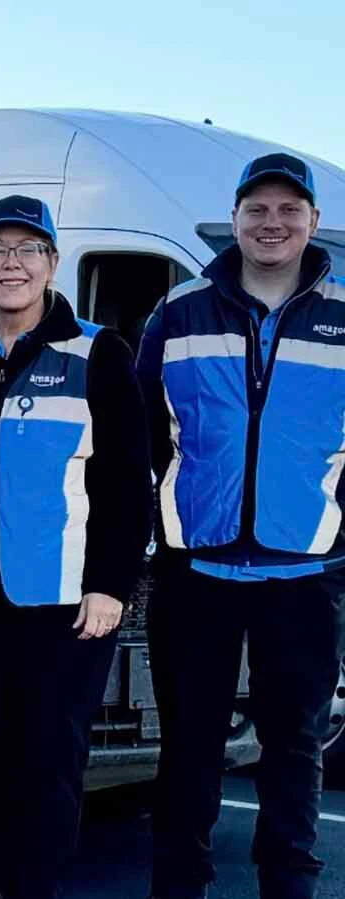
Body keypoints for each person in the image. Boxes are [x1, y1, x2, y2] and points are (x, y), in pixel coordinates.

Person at [0, 195, 152, 899]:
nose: (11, 264)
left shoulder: (98, 352)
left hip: (64, 604)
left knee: (45, 763)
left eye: (28, 250)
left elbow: (124, 481)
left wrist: (110, 582)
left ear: (51, 262)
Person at [137, 153, 345, 899]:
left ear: (314, 222)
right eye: (257, 208)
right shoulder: (179, 312)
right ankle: (177, 888)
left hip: (304, 576)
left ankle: (289, 890)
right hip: (197, 576)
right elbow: (140, 434)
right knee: (188, 752)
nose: (272, 222)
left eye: (289, 209)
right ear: (234, 219)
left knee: (294, 751)